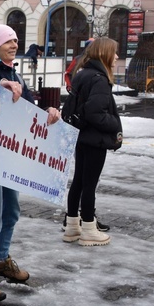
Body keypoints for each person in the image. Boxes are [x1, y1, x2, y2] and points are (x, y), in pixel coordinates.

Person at [0, 24, 61, 302]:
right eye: (8, 40)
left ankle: (0, 260)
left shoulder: (14, 71)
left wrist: (48, 113)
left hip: (10, 157)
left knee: (11, 214)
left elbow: (27, 110)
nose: (14, 44)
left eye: (16, 40)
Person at [63, 37, 122, 247]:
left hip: (81, 136)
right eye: (114, 52)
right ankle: (89, 227)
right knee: (89, 184)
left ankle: (72, 225)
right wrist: (114, 123)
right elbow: (95, 112)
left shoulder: (83, 74)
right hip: (94, 138)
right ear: (104, 53)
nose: (117, 56)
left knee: (79, 180)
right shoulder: (99, 78)